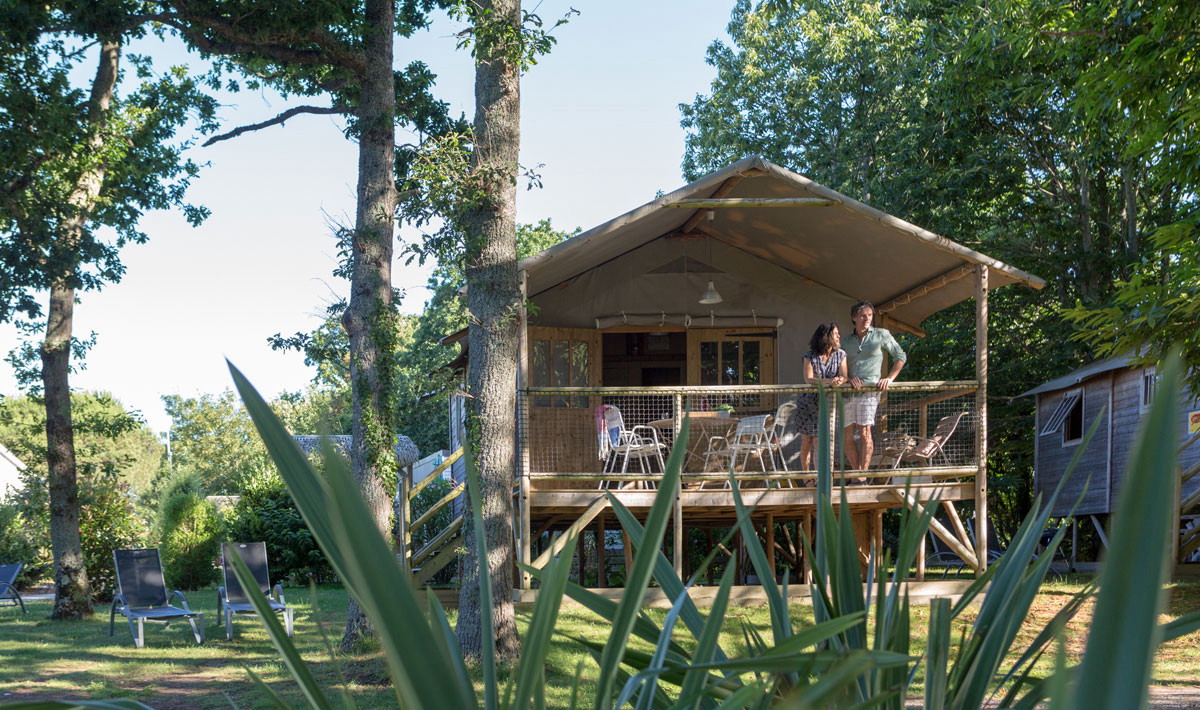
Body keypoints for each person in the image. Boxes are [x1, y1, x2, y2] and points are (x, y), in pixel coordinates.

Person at [843, 301, 906, 471]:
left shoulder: (881, 335)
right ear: (854, 317)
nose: (867, 319)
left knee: (865, 431)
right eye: (863, 315)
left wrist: (890, 378)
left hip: (870, 391)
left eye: (870, 315)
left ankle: (862, 475)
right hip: (848, 393)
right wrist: (847, 379)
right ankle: (855, 474)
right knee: (847, 435)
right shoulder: (845, 341)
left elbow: (900, 356)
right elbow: (835, 366)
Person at [793, 322, 847, 474]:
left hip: (827, 405)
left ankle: (819, 478)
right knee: (806, 442)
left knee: (819, 442)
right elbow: (809, 379)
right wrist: (829, 381)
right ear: (827, 336)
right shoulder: (809, 356)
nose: (839, 336)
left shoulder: (841, 354)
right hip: (807, 404)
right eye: (836, 334)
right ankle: (806, 477)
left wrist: (839, 381)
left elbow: (844, 376)